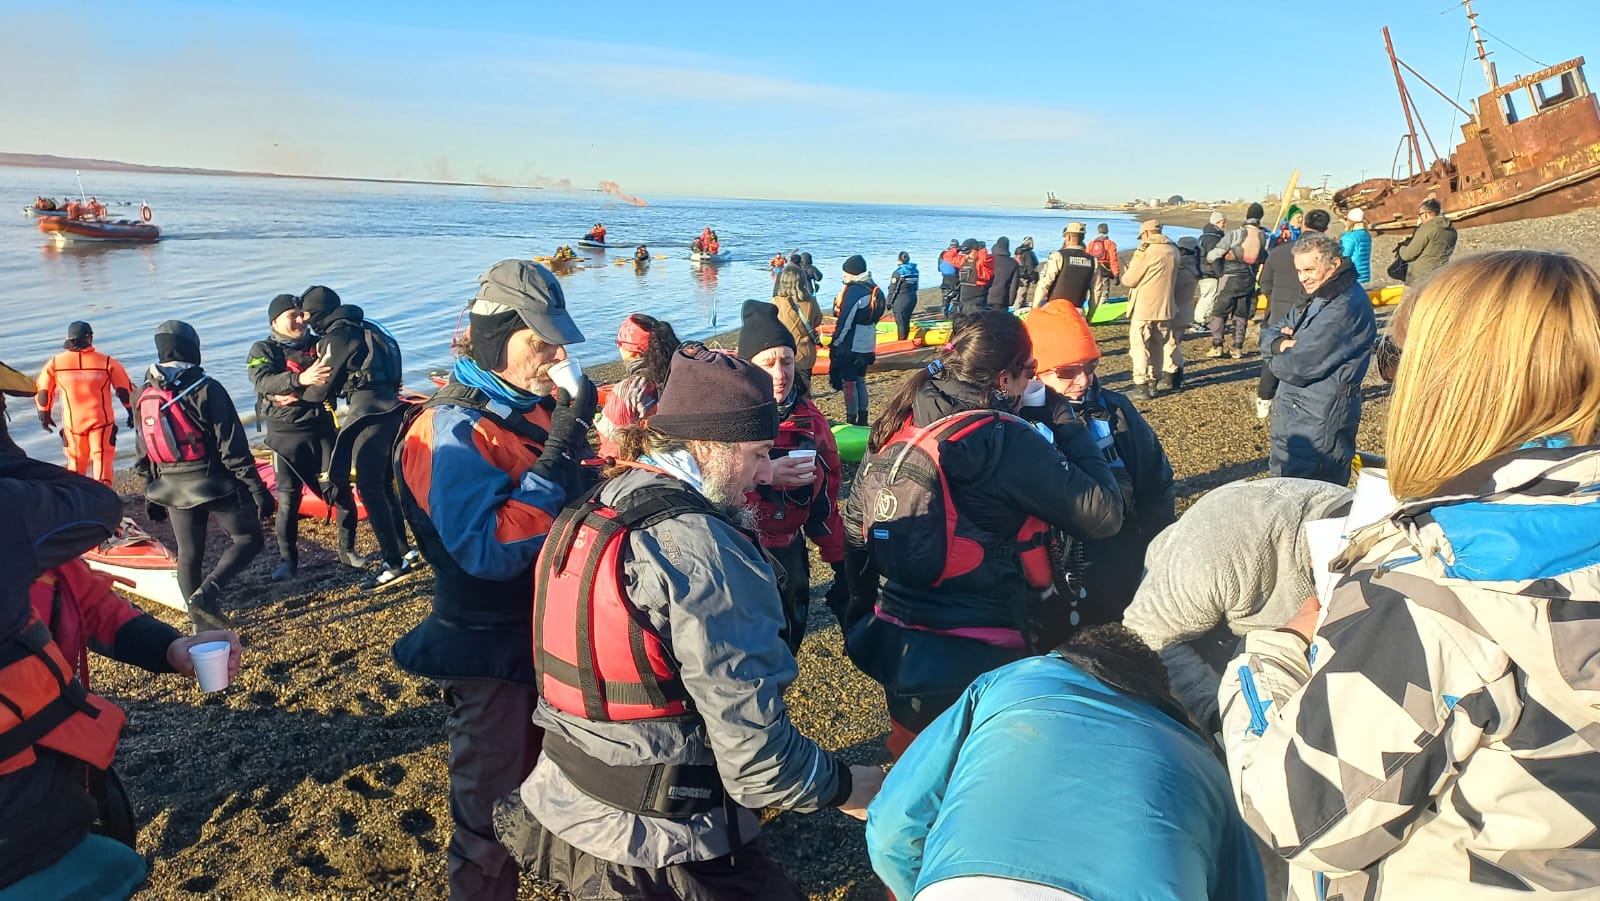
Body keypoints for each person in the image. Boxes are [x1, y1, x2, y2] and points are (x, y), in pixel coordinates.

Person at [1219, 250, 1600, 900]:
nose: (1390, 381)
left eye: (1395, 362)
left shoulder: (1436, 573)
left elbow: (1302, 816)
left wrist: (1273, 649)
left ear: (1447, 381)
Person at [493, 345, 884, 900]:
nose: (758, 475)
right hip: (662, 841)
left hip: (569, 794)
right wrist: (851, 785)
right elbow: (758, 764)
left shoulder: (600, 503)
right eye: (754, 455)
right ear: (708, 446)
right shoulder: (703, 553)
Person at [392, 258, 597, 901]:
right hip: (488, 647)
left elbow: (564, 490)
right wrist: (564, 442)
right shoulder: (449, 429)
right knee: (488, 811)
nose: (556, 352)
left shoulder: (529, 410)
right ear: (494, 337)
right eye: (540, 339)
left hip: (547, 633)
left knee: (569, 788)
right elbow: (489, 549)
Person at [840, 310, 1124, 756]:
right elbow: (1104, 514)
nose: (1033, 380)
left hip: (899, 638)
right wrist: (1061, 415)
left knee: (917, 760)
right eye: (1030, 372)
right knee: (983, 763)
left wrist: (857, 610)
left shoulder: (903, 415)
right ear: (1004, 377)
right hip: (982, 644)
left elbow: (856, 522)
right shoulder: (1003, 437)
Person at [867, 625, 1267, 901]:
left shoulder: (1005, 683)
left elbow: (891, 827)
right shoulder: (1203, 763)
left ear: (1067, 658)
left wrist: (929, 888)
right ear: (1157, 696)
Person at [0, 422, 138, 897]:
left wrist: (169, 647)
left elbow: (98, 609)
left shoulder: (38, 542)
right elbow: (96, 504)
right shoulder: (16, 521)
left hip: (57, 764)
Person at [1123, 477, 1350, 728]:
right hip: (1205, 653)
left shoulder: (1391, 539)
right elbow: (1145, 636)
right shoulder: (1220, 549)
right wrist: (1219, 717)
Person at [1021, 303, 1175, 626]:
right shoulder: (1014, 425)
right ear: (1033, 372)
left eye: (1090, 365)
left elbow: (1156, 486)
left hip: (1122, 564)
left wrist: (1159, 558)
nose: (1083, 380)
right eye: (1066, 371)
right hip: (1048, 579)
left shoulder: (1116, 411)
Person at [134, 320, 273, 633]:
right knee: (248, 539)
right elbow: (233, 448)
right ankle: (207, 596)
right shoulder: (207, 388)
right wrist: (257, 489)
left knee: (189, 554)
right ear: (192, 347)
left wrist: (149, 491)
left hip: (169, 485)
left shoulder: (142, 392)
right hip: (213, 482)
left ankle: (201, 626)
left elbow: (143, 449)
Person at [739, 301, 846, 654]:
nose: (780, 373)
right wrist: (764, 471)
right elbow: (705, 487)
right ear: (747, 368)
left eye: (786, 360)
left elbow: (826, 502)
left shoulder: (810, 421)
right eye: (767, 364)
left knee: (788, 644)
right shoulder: (728, 422)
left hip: (789, 550)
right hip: (737, 552)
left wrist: (841, 562)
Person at [299, 285, 416, 590]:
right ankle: (406, 550)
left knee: (369, 486)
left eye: (309, 314)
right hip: (395, 410)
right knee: (386, 483)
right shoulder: (373, 327)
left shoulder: (336, 337)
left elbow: (322, 387)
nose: (307, 321)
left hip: (368, 414)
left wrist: (294, 393)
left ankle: (393, 563)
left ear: (319, 313)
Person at [246, 294, 359, 581]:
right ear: (275, 321)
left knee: (340, 491)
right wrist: (301, 380)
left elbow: (340, 376)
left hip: (321, 431)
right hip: (284, 438)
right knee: (288, 499)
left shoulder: (319, 344)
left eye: (301, 314)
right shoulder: (263, 349)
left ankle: (348, 551)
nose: (299, 320)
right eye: (291, 315)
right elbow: (262, 381)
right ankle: (288, 561)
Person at [1260, 232, 1375, 485]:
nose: (1303, 277)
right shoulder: (1317, 296)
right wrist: (1279, 344)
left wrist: (1274, 355)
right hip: (1296, 411)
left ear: (1333, 265)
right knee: (1285, 485)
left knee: (1314, 492)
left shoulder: (1343, 306)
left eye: (1310, 269)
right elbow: (1271, 330)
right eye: (1299, 271)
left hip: (1320, 415)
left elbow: (1297, 366)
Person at [33, 322, 134, 488]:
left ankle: (76, 497)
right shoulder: (106, 362)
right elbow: (124, 390)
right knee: (101, 458)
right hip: (101, 422)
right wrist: (131, 411)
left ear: (68, 338)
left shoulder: (55, 364)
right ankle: (103, 497)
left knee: (75, 461)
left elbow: (43, 390)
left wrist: (44, 413)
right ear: (90, 337)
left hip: (73, 425)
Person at [1255, 209, 1332, 419]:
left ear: (1304, 225)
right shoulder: (1328, 258)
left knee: (1274, 356)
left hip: (1280, 310)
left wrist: (1277, 298)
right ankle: (1300, 402)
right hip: (1314, 314)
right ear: (1326, 230)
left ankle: (1264, 399)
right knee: (1310, 355)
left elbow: (1265, 285)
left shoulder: (1280, 251)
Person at [596, 313, 679, 459]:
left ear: (632, 351)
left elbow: (611, 446)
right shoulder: (681, 375)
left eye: (619, 343)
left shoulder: (627, 391)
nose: (617, 346)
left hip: (643, 464)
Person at [1120, 220, 1180, 399]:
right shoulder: (1173, 249)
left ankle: (1141, 385)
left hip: (1145, 307)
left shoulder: (1146, 250)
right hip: (1166, 306)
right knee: (1157, 346)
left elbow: (1130, 280)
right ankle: (1154, 382)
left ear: (1146, 234)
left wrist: (1128, 271)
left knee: (1139, 346)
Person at [1205, 202, 1269, 359]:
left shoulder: (1236, 234)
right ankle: (1237, 348)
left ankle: (1217, 346)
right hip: (1250, 280)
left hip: (1230, 278)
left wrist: (1218, 260)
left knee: (1219, 312)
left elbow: (1213, 255)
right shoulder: (1264, 237)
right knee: (1242, 314)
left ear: (1247, 216)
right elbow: (1265, 259)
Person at [830, 254, 884, 426]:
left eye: (845, 273)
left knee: (849, 383)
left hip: (851, 346)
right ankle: (863, 417)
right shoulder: (876, 289)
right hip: (868, 343)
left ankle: (851, 419)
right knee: (861, 380)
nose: (844, 277)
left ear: (852, 273)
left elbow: (845, 321)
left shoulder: (855, 291)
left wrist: (836, 342)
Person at [1030, 222, 1097, 312]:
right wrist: (1090, 315)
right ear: (1083, 237)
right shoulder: (1093, 261)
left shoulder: (1058, 256)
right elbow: (1096, 292)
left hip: (1056, 310)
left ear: (1068, 237)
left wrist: (1035, 308)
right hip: (1077, 312)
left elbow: (1044, 284)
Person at [771, 266, 823, 373]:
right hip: (806, 353)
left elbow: (770, 326)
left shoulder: (776, 302)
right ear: (802, 281)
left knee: (786, 387)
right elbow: (818, 321)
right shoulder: (811, 302)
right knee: (805, 387)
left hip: (784, 353)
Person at [1395, 197, 1457, 285]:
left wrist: (1401, 247)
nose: (1419, 218)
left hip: (1419, 278)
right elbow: (1432, 245)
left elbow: (1407, 255)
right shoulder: (1451, 230)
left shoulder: (1426, 228)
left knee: (1409, 299)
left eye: (1419, 215)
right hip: (1439, 275)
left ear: (1426, 214)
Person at [1195, 211, 1228, 330]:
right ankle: (1199, 322)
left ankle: (1202, 321)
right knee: (1209, 297)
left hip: (1203, 271)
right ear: (1217, 223)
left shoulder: (1205, 236)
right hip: (1209, 272)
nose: (1225, 225)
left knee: (1208, 296)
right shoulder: (1213, 238)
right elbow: (1213, 258)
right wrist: (1220, 273)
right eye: (1223, 222)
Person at [1085, 222, 1122, 314]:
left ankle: (1090, 308)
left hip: (1092, 270)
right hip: (1104, 271)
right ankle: (1101, 309)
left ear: (1097, 231)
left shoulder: (1091, 243)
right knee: (1104, 290)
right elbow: (1113, 260)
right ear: (1107, 231)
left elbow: (1086, 257)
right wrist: (1116, 275)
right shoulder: (1110, 244)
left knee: (1093, 290)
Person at [886, 251, 921, 341]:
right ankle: (905, 339)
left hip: (901, 300)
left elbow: (893, 289)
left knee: (901, 322)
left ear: (900, 260)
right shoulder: (915, 270)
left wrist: (889, 302)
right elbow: (916, 286)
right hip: (912, 298)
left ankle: (902, 342)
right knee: (906, 321)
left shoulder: (898, 273)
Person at [954, 240, 992, 316]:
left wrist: (982, 249)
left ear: (976, 251)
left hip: (976, 304)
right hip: (964, 303)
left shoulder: (982, 264)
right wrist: (957, 249)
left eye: (968, 253)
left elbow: (984, 259)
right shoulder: (963, 261)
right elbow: (947, 256)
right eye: (965, 253)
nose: (966, 255)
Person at [985, 236, 1019, 313]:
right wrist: (1011, 301)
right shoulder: (1013, 263)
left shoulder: (988, 259)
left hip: (986, 297)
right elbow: (1014, 286)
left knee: (985, 323)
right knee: (1000, 323)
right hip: (1002, 300)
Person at [1341, 207, 1372, 283]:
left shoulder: (1350, 237)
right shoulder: (1365, 234)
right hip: (1364, 274)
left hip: (1352, 275)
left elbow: (1344, 255)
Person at [1012, 236, 1039, 309]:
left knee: (1021, 293)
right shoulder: (1028, 253)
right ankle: (1016, 309)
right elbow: (1029, 264)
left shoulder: (1020, 251)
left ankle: (1020, 306)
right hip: (1025, 275)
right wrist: (1032, 276)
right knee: (1021, 293)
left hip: (1019, 274)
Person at [937, 239, 963, 313]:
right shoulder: (958, 257)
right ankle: (954, 314)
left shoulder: (942, 255)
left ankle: (944, 314)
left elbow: (939, 269)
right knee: (956, 300)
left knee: (945, 299)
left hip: (945, 280)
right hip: (956, 280)